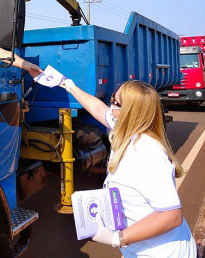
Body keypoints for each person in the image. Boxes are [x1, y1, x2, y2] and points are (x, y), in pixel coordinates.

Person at [60, 78, 197, 257]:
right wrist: (69, 85)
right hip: (141, 250)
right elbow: (98, 109)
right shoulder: (125, 129)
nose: (111, 106)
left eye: (114, 102)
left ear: (128, 112)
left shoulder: (148, 154)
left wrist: (118, 238)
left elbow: (171, 216)